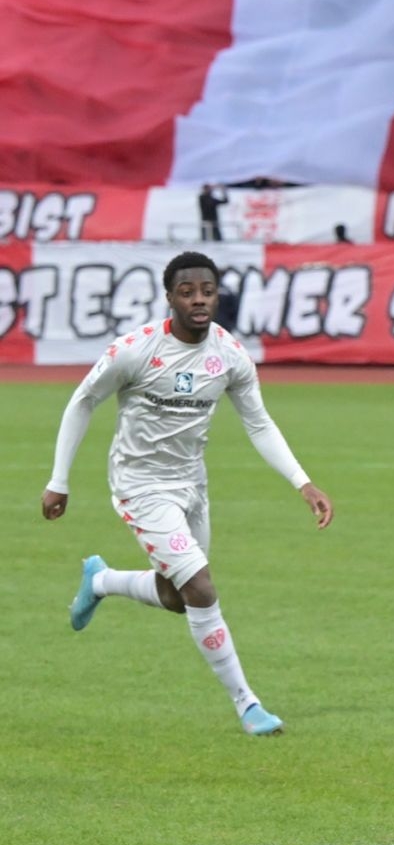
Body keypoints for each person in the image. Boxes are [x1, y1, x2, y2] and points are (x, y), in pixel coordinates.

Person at [42, 251, 334, 736]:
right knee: (201, 588)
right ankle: (248, 705)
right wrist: (59, 479)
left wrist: (302, 482)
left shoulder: (229, 356)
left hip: (191, 484)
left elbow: (258, 423)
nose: (199, 300)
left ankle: (101, 581)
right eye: (187, 291)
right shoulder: (135, 350)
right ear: (169, 297)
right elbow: (83, 401)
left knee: (179, 598)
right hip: (139, 485)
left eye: (207, 291)